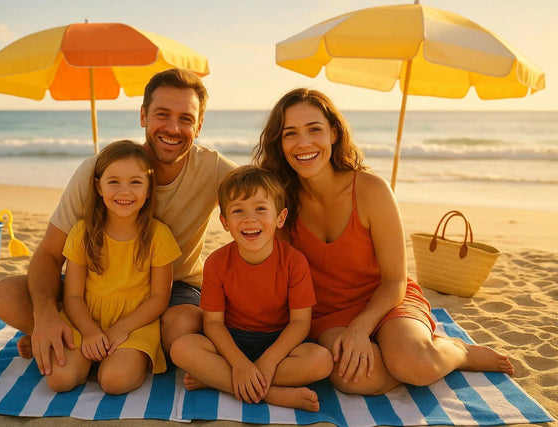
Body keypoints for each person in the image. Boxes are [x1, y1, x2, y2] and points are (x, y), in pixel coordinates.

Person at [253, 88, 514, 396]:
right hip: (327, 314)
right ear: (279, 143)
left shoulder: (372, 190)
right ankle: (394, 355)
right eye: (290, 134)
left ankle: (458, 352)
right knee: (354, 378)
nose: (304, 143)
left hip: (387, 300)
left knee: (416, 365)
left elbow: (394, 280)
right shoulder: (279, 201)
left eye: (314, 129)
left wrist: (361, 329)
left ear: (334, 133)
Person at [0, 68, 236, 377]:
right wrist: (46, 316)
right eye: (162, 114)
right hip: (95, 291)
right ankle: (65, 336)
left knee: (182, 326)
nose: (173, 128)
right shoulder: (98, 171)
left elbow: (264, 197)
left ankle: (97, 347)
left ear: (199, 125)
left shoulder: (215, 169)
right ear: (143, 115)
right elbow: (50, 254)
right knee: (5, 294)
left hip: (172, 289)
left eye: (185, 118)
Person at [170, 166, 333, 412]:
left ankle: (218, 380)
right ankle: (272, 394)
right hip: (232, 341)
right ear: (224, 222)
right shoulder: (216, 262)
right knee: (181, 348)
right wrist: (238, 364)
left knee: (321, 361)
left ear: (280, 217)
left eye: (260, 209)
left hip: (279, 342)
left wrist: (268, 361)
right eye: (238, 211)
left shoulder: (294, 261)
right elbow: (213, 324)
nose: (249, 219)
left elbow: (300, 323)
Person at [45, 140, 180, 394]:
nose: (124, 191)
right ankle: (91, 357)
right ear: (98, 186)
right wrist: (89, 331)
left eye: (136, 182)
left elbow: (160, 298)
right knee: (59, 379)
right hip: (85, 318)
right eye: (114, 181)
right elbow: (72, 296)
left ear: (149, 189)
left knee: (114, 381)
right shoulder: (82, 232)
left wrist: (120, 329)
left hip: (135, 322)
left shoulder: (158, 236)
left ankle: (110, 361)